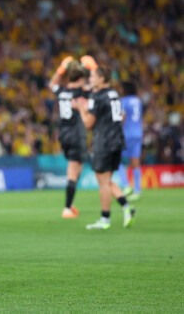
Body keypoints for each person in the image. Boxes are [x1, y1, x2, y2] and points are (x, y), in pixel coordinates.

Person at [73, 65, 136, 230]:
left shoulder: (96, 95)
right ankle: (126, 207)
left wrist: (81, 109)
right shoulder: (114, 92)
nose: (90, 79)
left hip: (103, 141)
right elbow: (119, 116)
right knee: (107, 180)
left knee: (103, 182)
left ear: (102, 78)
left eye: (93, 76)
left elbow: (88, 124)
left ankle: (105, 219)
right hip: (117, 140)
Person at [48, 57, 91, 219]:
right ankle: (67, 208)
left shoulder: (62, 91)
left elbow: (51, 84)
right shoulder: (82, 92)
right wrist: (93, 69)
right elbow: (98, 87)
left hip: (64, 133)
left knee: (77, 168)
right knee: (73, 171)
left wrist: (61, 69)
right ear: (80, 78)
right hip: (76, 133)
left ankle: (71, 203)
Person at [119, 81, 143, 201]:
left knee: (116, 159)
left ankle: (126, 185)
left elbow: (123, 117)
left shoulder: (124, 101)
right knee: (135, 162)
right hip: (138, 133)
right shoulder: (138, 101)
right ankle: (137, 190)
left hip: (127, 133)